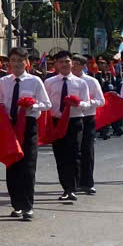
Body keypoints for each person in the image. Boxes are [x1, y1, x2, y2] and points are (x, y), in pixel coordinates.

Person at [0, 46, 51, 221]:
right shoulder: (3, 82)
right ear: (8, 63)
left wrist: (32, 106)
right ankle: (16, 204)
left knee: (27, 166)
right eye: (13, 61)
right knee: (12, 166)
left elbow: (47, 104)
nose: (16, 64)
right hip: (9, 127)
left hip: (28, 125)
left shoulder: (35, 81)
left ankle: (27, 206)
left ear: (26, 63)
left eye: (20, 61)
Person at [43, 51, 88, 203]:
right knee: (60, 156)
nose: (64, 64)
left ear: (72, 63)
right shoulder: (49, 82)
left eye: (67, 61)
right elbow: (46, 103)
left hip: (74, 121)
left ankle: (72, 188)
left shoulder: (81, 83)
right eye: (61, 62)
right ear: (56, 64)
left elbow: (87, 104)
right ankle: (65, 187)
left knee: (74, 154)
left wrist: (78, 103)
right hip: (56, 122)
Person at [71, 56, 105, 195]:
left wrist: (86, 102)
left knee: (87, 150)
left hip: (88, 118)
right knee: (74, 151)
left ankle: (88, 182)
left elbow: (101, 101)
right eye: (72, 63)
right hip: (73, 118)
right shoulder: (69, 81)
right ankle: (75, 182)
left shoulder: (92, 81)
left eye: (77, 64)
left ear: (84, 66)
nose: (73, 66)